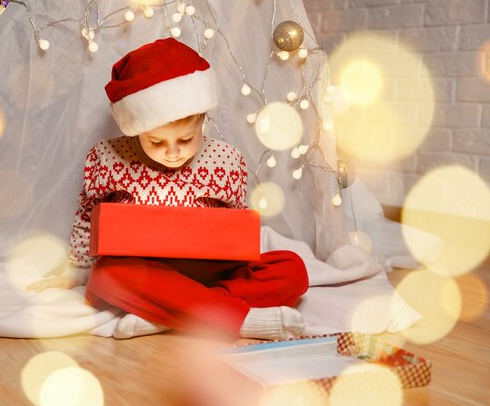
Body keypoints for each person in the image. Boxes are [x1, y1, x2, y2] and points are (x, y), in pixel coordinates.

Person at [27, 38, 309, 340]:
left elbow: (235, 226)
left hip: (208, 273)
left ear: (203, 122)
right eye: (156, 142)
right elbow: (87, 216)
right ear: (135, 127)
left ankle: (166, 315)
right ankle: (234, 318)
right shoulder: (107, 157)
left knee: (292, 268)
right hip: (145, 274)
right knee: (107, 275)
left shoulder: (226, 159)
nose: (172, 152)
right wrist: (78, 270)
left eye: (186, 140)